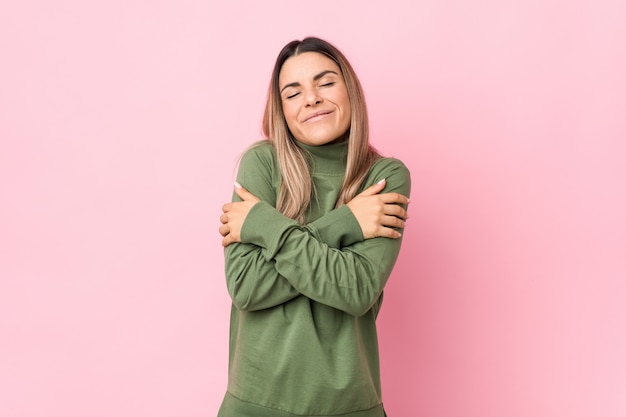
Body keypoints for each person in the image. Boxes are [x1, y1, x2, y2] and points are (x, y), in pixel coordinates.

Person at [217, 37, 411, 417]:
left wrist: (264, 225)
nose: (311, 98)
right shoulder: (262, 164)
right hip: (253, 405)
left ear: (349, 89)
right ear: (282, 110)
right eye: (293, 92)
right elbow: (247, 288)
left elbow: (356, 290)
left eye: (325, 83)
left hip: (350, 406)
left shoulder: (385, 177)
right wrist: (348, 221)